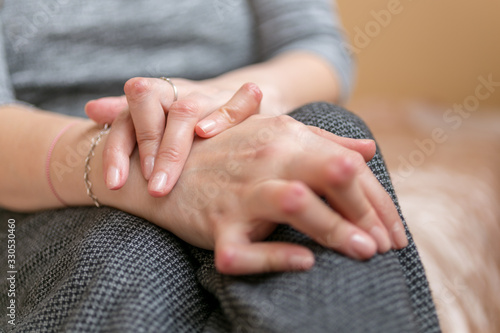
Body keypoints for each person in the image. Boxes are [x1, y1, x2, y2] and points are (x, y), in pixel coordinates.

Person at [0, 0, 440, 332]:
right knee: (127, 258)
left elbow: (315, 47)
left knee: (321, 144)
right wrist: (141, 172)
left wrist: (214, 106)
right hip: (42, 176)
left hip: (243, 121)